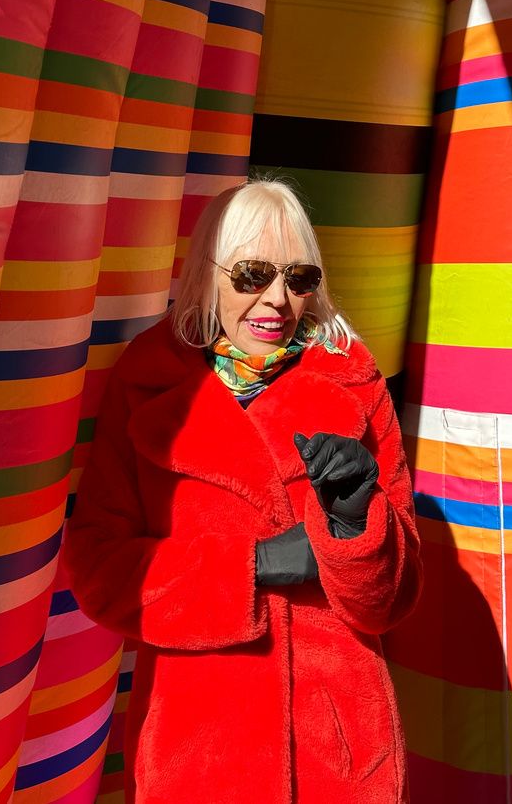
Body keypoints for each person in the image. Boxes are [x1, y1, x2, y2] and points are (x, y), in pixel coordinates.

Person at [63, 179, 422, 804]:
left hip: (337, 743)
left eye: (299, 277)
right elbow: (99, 570)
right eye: (253, 274)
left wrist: (357, 528)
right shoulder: (148, 383)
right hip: (199, 743)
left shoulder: (354, 381)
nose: (278, 300)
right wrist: (255, 565)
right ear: (209, 271)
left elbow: (395, 601)